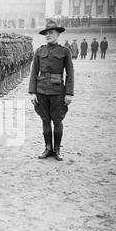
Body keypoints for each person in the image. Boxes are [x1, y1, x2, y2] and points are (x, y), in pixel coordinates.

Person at [28, 19, 74, 161]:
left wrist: (69, 93)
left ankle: (57, 150)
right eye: (46, 33)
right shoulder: (39, 51)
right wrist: (32, 92)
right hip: (41, 91)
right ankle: (48, 148)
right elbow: (34, 72)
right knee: (45, 120)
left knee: (57, 120)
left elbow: (70, 73)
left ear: (58, 34)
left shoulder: (65, 51)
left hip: (58, 92)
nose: (48, 35)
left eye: (51, 33)